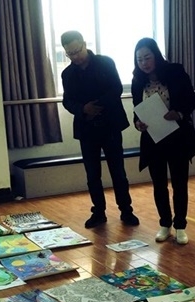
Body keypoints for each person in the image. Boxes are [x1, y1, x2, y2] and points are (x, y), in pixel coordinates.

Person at [60, 30, 139, 229]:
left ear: (84, 44)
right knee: (92, 174)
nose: (75, 56)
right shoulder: (67, 74)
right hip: (86, 128)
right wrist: (83, 109)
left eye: (77, 51)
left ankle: (126, 210)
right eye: (70, 53)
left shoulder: (105, 63)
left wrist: (97, 106)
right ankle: (98, 212)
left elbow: (116, 89)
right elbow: (67, 101)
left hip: (110, 124)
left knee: (118, 171)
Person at [131, 38, 195, 245]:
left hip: (177, 137)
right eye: (139, 60)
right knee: (159, 185)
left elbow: (192, 100)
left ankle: (180, 226)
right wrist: (138, 123)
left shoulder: (175, 72)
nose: (144, 63)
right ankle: (165, 223)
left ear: (156, 56)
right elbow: (136, 110)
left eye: (147, 57)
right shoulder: (137, 81)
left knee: (179, 184)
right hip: (153, 139)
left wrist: (178, 113)